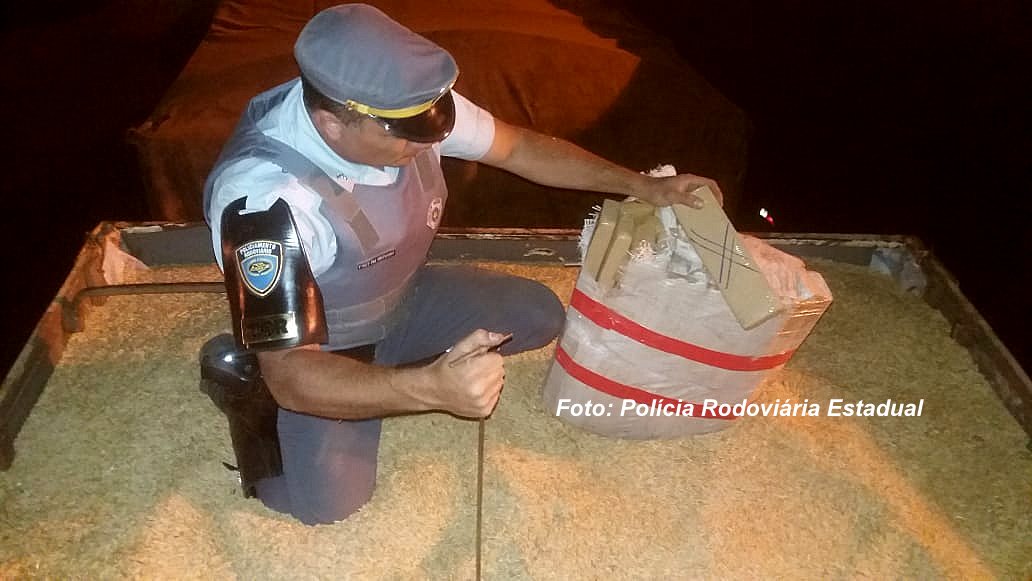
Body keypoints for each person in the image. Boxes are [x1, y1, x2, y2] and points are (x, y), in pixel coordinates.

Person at [202, 3, 723, 525]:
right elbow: (294, 376)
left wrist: (644, 186)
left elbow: (518, 149)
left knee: (539, 314)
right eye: (404, 134)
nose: (427, 140)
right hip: (323, 348)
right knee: (324, 507)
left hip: (399, 297)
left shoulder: (404, 112)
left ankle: (389, 375)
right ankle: (243, 382)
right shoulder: (264, 202)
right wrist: (429, 390)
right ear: (331, 124)